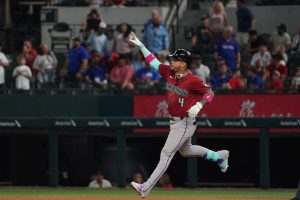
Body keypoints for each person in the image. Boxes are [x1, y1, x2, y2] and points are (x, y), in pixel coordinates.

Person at [128, 31, 229, 198]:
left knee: (166, 153)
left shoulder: (193, 79)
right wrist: (141, 46)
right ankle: (219, 157)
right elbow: (154, 62)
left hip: (185, 122)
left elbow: (210, 93)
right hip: (175, 122)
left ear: (183, 63)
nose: (171, 61)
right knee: (186, 150)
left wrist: (199, 104)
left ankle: (145, 188)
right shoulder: (169, 72)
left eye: (175, 59)